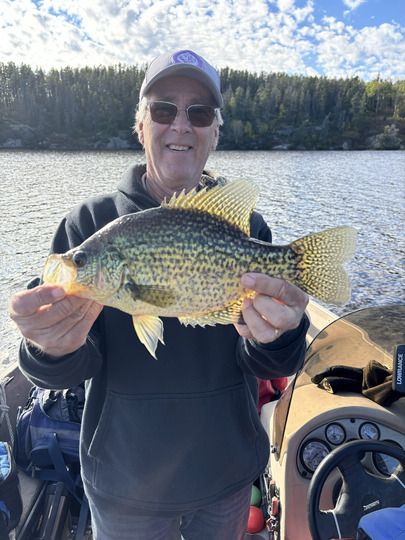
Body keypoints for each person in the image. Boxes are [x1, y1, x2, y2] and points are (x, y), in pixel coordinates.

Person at [9, 49, 309, 540]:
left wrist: (279, 336)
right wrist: (46, 346)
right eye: (164, 109)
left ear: (214, 132)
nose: (180, 126)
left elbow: (270, 362)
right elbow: (63, 368)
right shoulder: (88, 227)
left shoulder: (247, 227)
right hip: (126, 485)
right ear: (141, 124)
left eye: (199, 113)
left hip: (227, 475)